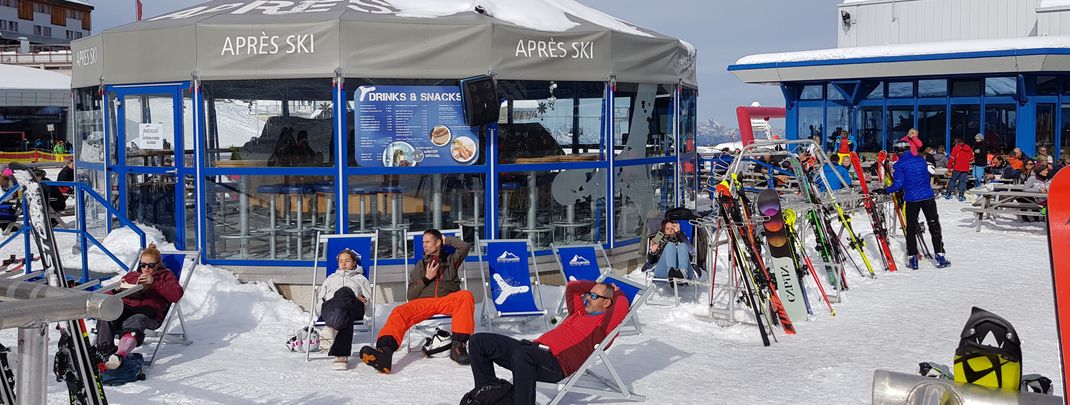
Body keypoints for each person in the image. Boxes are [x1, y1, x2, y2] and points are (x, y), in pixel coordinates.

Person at [465, 280, 629, 405]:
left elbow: (622, 305)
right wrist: (595, 286)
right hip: (530, 350)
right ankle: (489, 394)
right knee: (478, 341)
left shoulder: (603, 326)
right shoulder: (578, 312)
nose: (587, 298)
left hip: (554, 365)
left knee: (523, 355)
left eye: (593, 296)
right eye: (588, 294)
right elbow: (572, 286)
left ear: (607, 302)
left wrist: (618, 292)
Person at [359, 229, 474, 374]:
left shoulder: (452, 260)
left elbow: (465, 246)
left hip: (447, 300)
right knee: (400, 311)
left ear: (438, 243)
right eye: (423, 242)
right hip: (424, 302)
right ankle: (385, 353)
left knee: (466, 295)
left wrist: (446, 239)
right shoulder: (420, 265)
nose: (424, 245)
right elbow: (411, 295)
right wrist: (427, 278)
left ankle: (458, 347)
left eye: (428, 242)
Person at [97, 244, 184, 369]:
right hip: (126, 308)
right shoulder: (132, 275)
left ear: (158, 264)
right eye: (143, 265)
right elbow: (110, 294)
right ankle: (104, 352)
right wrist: (116, 290)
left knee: (136, 321)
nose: (146, 268)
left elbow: (176, 295)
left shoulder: (165, 276)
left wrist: (154, 282)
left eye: (151, 265)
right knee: (107, 314)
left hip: (148, 314)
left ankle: (120, 355)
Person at [874, 140, 950, 269]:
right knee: (934, 225)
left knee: (910, 229)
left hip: (912, 200)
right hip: (928, 197)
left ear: (898, 151)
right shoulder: (921, 160)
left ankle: (913, 259)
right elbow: (930, 172)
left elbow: (898, 185)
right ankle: (940, 256)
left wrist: (884, 190)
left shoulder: (899, 165)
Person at [317, 249, 373, 371]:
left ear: (354, 263)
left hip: (355, 307)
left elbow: (368, 303)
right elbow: (320, 300)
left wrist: (356, 297)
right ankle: (341, 355)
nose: (343, 264)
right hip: (331, 308)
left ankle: (330, 328)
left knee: (345, 291)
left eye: (347, 260)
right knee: (345, 312)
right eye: (341, 261)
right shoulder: (330, 278)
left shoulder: (361, 279)